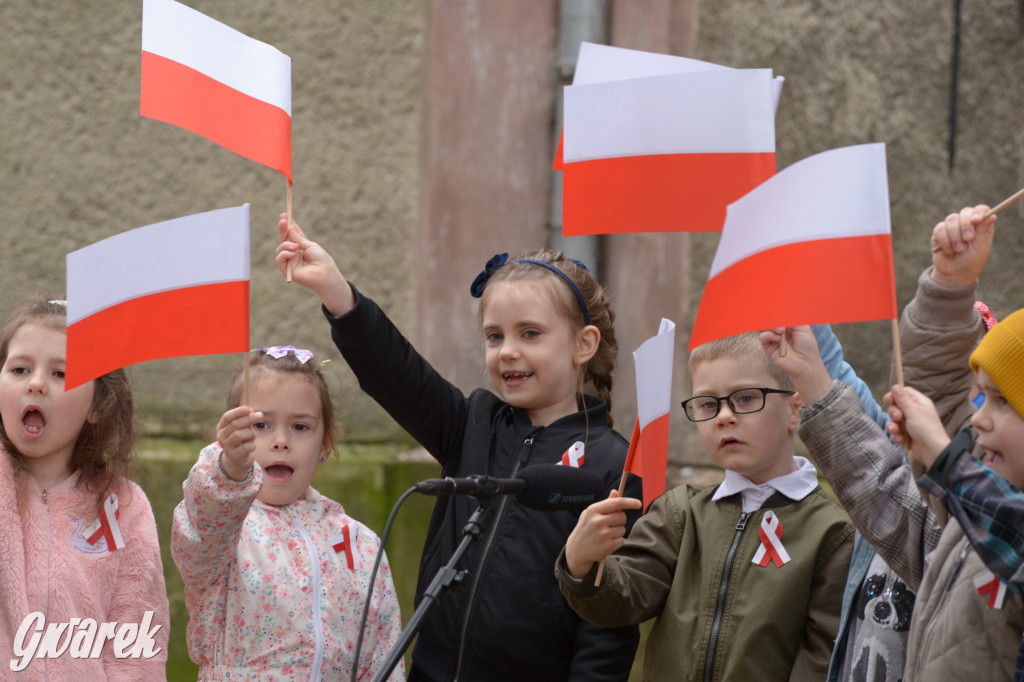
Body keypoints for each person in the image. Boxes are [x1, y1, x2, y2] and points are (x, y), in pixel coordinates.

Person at [276, 216, 642, 681]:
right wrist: (337, 294)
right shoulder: (473, 423)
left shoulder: (615, 466)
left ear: (583, 344)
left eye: (530, 333)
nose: (507, 350)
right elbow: (399, 375)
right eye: (495, 335)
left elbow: (609, 628)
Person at [762, 201, 1024, 679]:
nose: (979, 419)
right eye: (979, 397)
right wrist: (947, 287)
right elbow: (882, 490)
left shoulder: (997, 527)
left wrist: (944, 460)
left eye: (1001, 403)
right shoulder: (957, 536)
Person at [556, 330, 855, 681]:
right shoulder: (680, 512)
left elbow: (824, 660)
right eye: (708, 404)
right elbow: (620, 603)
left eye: (745, 398)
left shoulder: (832, 532)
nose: (724, 416)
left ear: (794, 410)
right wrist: (581, 563)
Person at [171, 346, 404, 681]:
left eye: (300, 427)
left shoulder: (359, 544)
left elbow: (384, 657)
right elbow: (202, 527)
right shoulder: (224, 529)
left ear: (326, 443)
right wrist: (228, 472)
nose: (281, 441)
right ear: (228, 437)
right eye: (261, 424)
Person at [0, 295, 170, 681]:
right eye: (20, 369)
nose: (37, 384)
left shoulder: (125, 508)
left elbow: (137, 650)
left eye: (62, 373)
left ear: (98, 405)